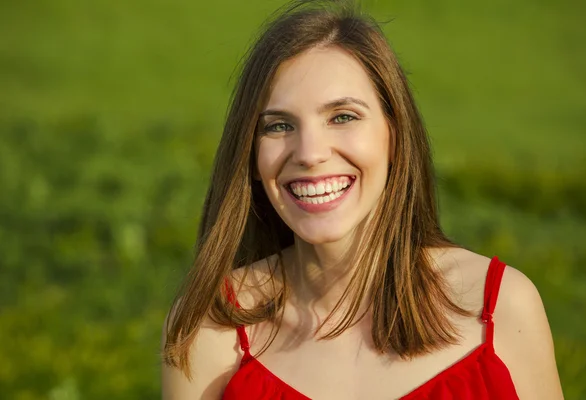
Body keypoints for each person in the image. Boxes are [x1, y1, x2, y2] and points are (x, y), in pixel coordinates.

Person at [161, 1, 563, 399]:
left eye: (342, 117)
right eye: (279, 125)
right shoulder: (208, 329)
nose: (310, 153)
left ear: (394, 135)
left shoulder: (503, 306)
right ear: (250, 153)